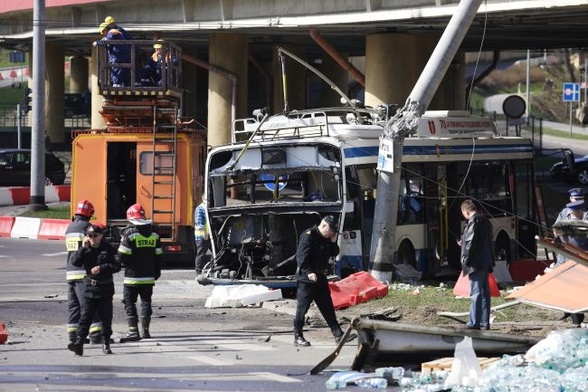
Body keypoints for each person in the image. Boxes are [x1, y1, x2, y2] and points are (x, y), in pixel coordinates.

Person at [293, 215, 357, 346]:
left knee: (327, 308)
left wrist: (333, 241)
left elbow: (334, 252)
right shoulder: (309, 236)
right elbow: (301, 257)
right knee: (302, 309)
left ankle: (338, 335)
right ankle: (298, 336)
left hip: (321, 279)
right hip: (307, 280)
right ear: (323, 226)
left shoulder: (326, 239)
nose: (333, 233)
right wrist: (308, 272)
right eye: (331, 230)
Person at [67, 223, 121, 356]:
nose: (92, 238)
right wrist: (82, 248)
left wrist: (102, 268)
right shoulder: (86, 249)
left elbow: (117, 266)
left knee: (106, 318)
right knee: (85, 317)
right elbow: (74, 262)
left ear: (101, 236)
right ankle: (79, 344)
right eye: (89, 235)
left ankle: (106, 343)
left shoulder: (108, 249)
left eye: (94, 236)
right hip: (89, 288)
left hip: (105, 288)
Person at [118, 203, 162, 342]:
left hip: (132, 277)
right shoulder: (154, 234)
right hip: (149, 277)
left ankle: (133, 331)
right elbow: (159, 256)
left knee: (129, 302)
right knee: (146, 302)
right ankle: (146, 331)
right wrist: (156, 272)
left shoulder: (130, 234)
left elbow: (122, 256)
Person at [65, 200, 103, 345]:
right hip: (83, 273)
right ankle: (95, 335)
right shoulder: (87, 228)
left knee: (74, 306)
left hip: (70, 273)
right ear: (90, 213)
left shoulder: (69, 228)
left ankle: (73, 336)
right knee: (89, 304)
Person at [459, 199, 495, 330]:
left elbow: (471, 242)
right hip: (486, 261)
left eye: (463, 214)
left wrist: (465, 260)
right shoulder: (485, 220)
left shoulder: (474, 221)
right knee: (485, 294)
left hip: (476, 262)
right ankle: (485, 323)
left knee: (476, 293)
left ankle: (473, 322)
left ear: (466, 211)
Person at [552, 200, 587, 327]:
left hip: (567, 264)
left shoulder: (561, 225)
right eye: (582, 211)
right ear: (578, 212)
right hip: (582, 264)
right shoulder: (583, 226)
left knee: (572, 293)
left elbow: (557, 240)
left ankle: (576, 321)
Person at [96, 21, 131, 87]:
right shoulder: (114, 32)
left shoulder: (111, 33)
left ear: (105, 30)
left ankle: (117, 84)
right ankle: (120, 84)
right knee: (120, 69)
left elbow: (107, 41)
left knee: (116, 67)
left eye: (103, 33)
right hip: (122, 54)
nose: (103, 34)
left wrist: (97, 43)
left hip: (118, 56)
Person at [194, 195, 210, 276]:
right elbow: (199, 222)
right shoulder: (200, 208)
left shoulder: (206, 208)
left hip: (208, 234)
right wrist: (204, 232)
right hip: (202, 235)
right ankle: (198, 272)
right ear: (203, 198)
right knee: (201, 254)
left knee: (215, 253)